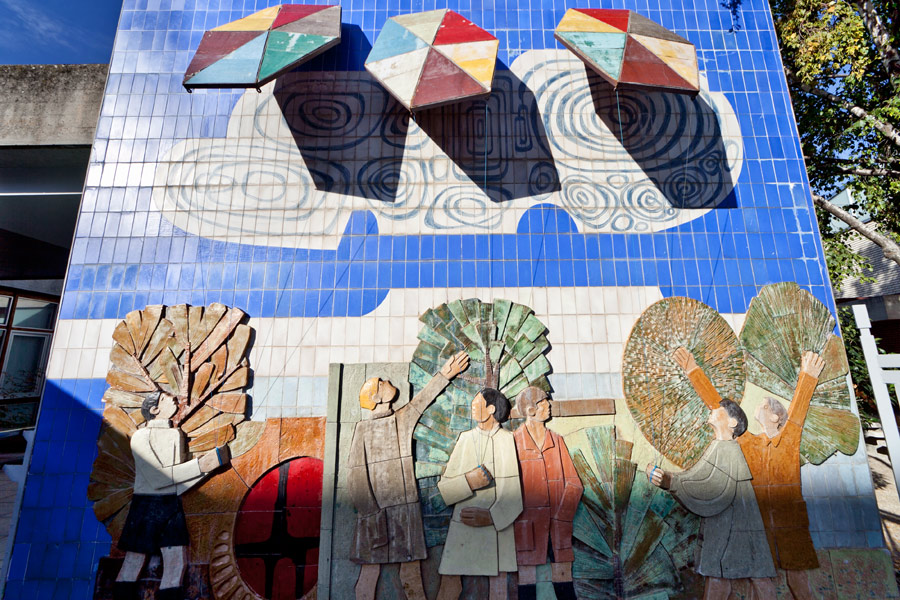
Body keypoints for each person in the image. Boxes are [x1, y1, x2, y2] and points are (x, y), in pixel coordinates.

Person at [674, 346, 825, 600]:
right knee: (760, 580)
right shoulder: (750, 444)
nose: (759, 406)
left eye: (764, 405)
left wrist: (808, 376)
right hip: (759, 526)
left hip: (791, 523)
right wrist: (693, 371)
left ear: (776, 417)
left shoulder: (789, 438)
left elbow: (798, 412)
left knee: (797, 579)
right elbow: (721, 411)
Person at [347, 351, 469, 600]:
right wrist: (371, 515)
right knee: (369, 574)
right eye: (381, 383)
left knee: (411, 572)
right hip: (375, 517)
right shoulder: (363, 429)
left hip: (405, 513)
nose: (387, 382)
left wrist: (445, 374)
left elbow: (422, 400)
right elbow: (356, 477)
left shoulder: (401, 419)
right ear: (376, 398)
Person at [648, 398, 776, 599]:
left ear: (732, 422)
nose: (713, 409)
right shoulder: (719, 446)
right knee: (722, 575)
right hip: (726, 522)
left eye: (720, 409)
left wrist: (669, 481)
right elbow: (697, 477)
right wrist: (668, 479)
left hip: (736, 523)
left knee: (749, 574)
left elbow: (710, 487)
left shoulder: (727, 449)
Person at [114, 391, 230, 600]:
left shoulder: (176, 434)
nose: (173, 399)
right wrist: (199, 466)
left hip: (171, 503)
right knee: (134, 561)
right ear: (154, 409)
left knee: (177, 563)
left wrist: (209, 467)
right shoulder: (141, 437)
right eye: (165, 398)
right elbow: (158, 479)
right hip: (146, 505)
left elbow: (177, 483)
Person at [436, 388, 523, 600]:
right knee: (450, 585)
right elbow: (445, 490)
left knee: (498, 587)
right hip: (463, 527)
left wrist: (492, 517)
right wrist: (469, 481)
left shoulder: (506, 440)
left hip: (496, 530)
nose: (472, 409)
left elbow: (514, 495)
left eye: (476, 405)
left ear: (491, 409)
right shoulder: (465, 439)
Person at [512, 386, 583, 600]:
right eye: (544, 402)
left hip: (557, 526)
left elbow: (574, 484)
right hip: (527, 527)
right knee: (526, 581)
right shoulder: (514, 442)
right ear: (531, 410)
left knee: (563, 578)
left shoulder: (556, 440)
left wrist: (562, 516)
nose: (549, 405)